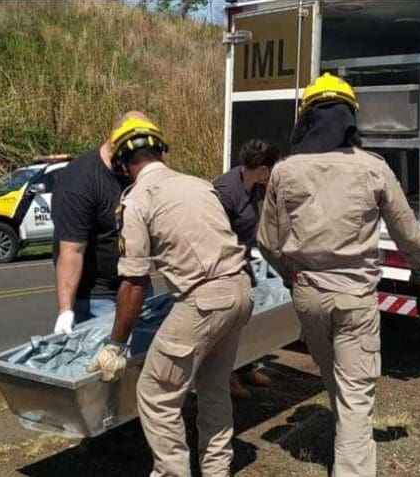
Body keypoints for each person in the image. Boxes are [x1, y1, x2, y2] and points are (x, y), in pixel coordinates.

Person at [257, 73, 420, 477]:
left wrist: (293, 276)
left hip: (308, 295)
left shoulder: (285, 171)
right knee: (356, 392)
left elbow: (267, 240)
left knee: (336, 378)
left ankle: (347, 440)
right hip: (355, 298)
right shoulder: (373, 168)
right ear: (350, 118)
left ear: (307, 118)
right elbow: (409, 234)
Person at [88, 114, 253, 477]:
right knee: (213, 388)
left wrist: (116, 345)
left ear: (122, 164)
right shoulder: (198, 184)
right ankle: (216, 469)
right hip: (241, 290)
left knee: (155, 393)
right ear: (160, 150)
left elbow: (134, 281)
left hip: (205, 300)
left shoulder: (138, 200)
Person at [51, 112, 138, 334]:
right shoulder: (80, 180)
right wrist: (65, 311)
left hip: (134, 285)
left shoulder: (135, 172)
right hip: (98, 296)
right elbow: (71, 251)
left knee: (144, 357)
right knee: (110, 359)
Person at [213, 139, 281, 399]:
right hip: (226, 266)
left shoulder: (254, 186)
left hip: (244, 262)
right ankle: (226, 376)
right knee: (228, 325)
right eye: (271, 171)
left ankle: (246, 366)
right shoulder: (225, 190)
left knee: (245, 320)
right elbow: (216, 235)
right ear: (262, 170)